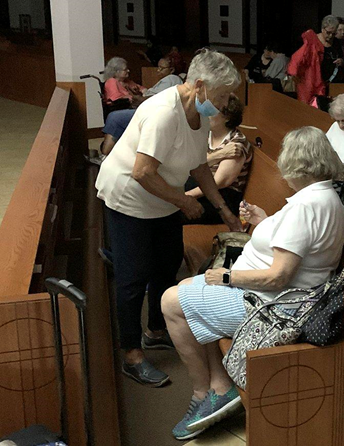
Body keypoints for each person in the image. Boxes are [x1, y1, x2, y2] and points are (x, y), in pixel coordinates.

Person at [161, 126, 344, 440]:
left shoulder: (306, 207)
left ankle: (201, 391)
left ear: (297, 167)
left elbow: (279, 276)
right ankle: (220, 386)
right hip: (272, 295)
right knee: (192, 295)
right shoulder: (327, 198)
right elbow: (298, 243)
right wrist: (266, 221)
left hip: (271, 305)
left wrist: (227, 276)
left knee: (171, 302)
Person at [95, 49, 243, 388]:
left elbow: (199, 165)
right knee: (133, 277)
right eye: (221, 95)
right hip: (130, 199)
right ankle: (131, 355)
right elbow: (142, 172)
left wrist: (223, 209)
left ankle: (156, 330)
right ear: (200, 86)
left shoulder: (200, 114)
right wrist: (182, 202)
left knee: (165, 264)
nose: (224, 102)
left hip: (162, 199)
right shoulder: (163, 112)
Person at [184, 95, 253, 224]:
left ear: (227, 117)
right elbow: (190, 165)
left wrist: (186, 197)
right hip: (204, 187)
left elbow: (219, 182)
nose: (205, 114)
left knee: (174, 213)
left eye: (212, 111)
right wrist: (219, 155)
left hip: (224, 198)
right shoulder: (206, 134)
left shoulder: (236, 144)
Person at [99, 58, 184, 157]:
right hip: (132, 106)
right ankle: (108, 154)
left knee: (115, 118)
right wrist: (134, 96)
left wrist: (139, 95)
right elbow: (115, 98)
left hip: (147, 106)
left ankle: (105, 155)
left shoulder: (171, 78)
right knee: (115, 117)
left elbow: (147, 91)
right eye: (125, 69)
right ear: (116, 71)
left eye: (161, 68)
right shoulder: (112, 82)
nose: (128, 71)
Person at [287, 15, 344, 104]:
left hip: (327, 82)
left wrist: (341, 61)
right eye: (328, 32)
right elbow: (297, 58)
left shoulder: (336, 42)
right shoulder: (312, 41)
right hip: (309, 81)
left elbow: (340, 57)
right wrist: (293, 74)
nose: (330, 36)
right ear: (322, 29)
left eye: (333, 34)